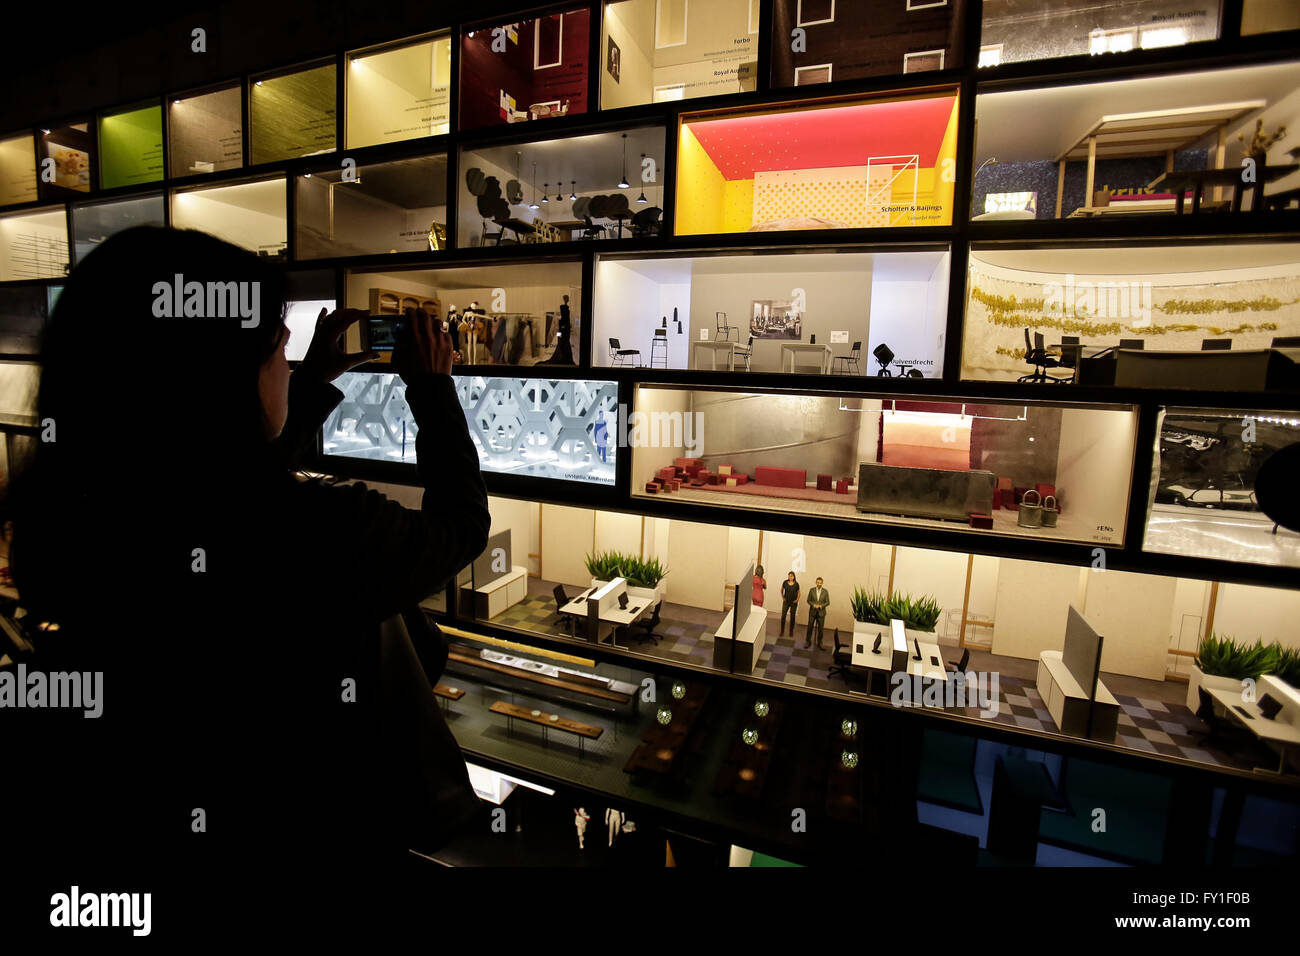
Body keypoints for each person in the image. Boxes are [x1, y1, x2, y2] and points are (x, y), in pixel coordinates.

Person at [2, 226, 490, 914]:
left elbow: (227, 489)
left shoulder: (73, 515)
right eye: (277, 349)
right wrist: (433, 390)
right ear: (225, 377)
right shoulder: (323, 531)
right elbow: (461, 526)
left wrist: (308, 383)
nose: (285, 365)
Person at [542, 294, 575, 365]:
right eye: (566, 298)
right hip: (562, 332)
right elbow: (556, 326)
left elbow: (569, 324)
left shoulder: (568, 312)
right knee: (560, 341)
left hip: (564, 332)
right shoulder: (561, 313)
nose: (567, 300)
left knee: (563, 341)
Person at [806, 576, 830, 649]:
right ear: (816, 582)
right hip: (812, 612)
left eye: (820, 583)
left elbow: (828, 602)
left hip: (821, 612)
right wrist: (813, 605)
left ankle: (820, 643)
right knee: (810, 627)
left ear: (822, 583)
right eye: (817, 582)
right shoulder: (811, 590)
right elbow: (808, 600)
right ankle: (808, 641)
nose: (819, 584)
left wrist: (821, 606)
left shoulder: (825, 591)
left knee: (820, 629)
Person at [780, 571, 799, 637]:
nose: (790, 577)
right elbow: (781, 590)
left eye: (791, 576)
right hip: (786, 601)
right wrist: (783, 597)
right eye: (789, 576)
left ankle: (791, 631)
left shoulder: (796, 584)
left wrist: (797, 599)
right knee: (783, 616)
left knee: (792, 617)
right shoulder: (785, 582)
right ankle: (782, 631)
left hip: (793, 602)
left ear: (794, 577)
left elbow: (799, 592)